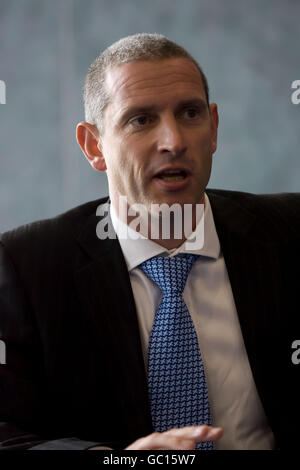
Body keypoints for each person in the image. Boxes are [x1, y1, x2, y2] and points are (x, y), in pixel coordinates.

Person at [0, 33, 299, 451]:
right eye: (141, 120)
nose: (174, 141)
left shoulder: (290, 232)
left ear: (213, 128)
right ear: (94, 145)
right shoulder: (27, 265)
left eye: (190, 114)